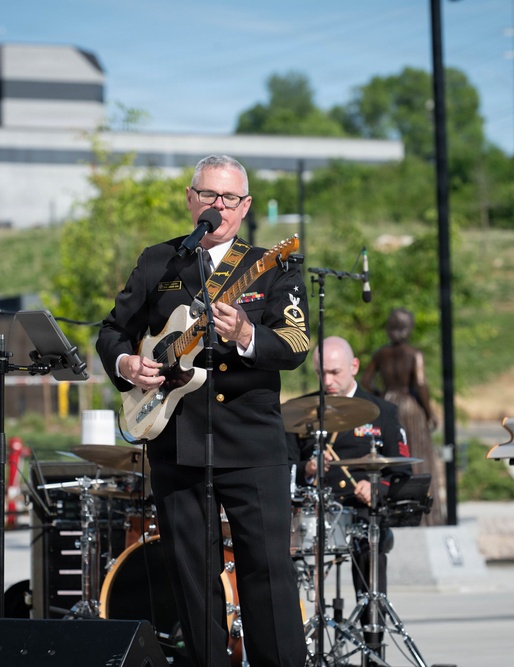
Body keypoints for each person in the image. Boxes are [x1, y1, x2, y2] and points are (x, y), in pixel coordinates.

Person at [96, 155, 310, 667]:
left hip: (252, 442)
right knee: (192, 579)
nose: (218, 206)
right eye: (209, 195)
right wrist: (127, 363)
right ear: (191, 199)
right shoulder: (159, 261)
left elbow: (297, 342)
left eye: (229, 198)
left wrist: (245, 335)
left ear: (245, 206)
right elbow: (112, 331)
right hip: (176, 440)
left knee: (267, 575)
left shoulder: (272, 262)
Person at [290, 336, 410, 624]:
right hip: (312, 511)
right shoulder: (296, 413)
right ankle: (296, 634)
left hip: (359, 511)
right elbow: (283, 467)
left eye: (335, 372)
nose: (328, 380)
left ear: (354, 366)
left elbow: (402, 472)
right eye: (322, 373)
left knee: (371, 545)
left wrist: (376, 487)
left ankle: (372, 634)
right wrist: (307, 470)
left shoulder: (383, 412)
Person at [361, 307, 445, 525]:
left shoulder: (381, 354)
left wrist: (381, 396)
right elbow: (421, 383)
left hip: (388, 403)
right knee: (418, 455)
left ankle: (396, 511)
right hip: (410, 407)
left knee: (395, 457)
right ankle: (426, 517)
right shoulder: (414, 354)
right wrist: (430, 412)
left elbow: (366, 381)